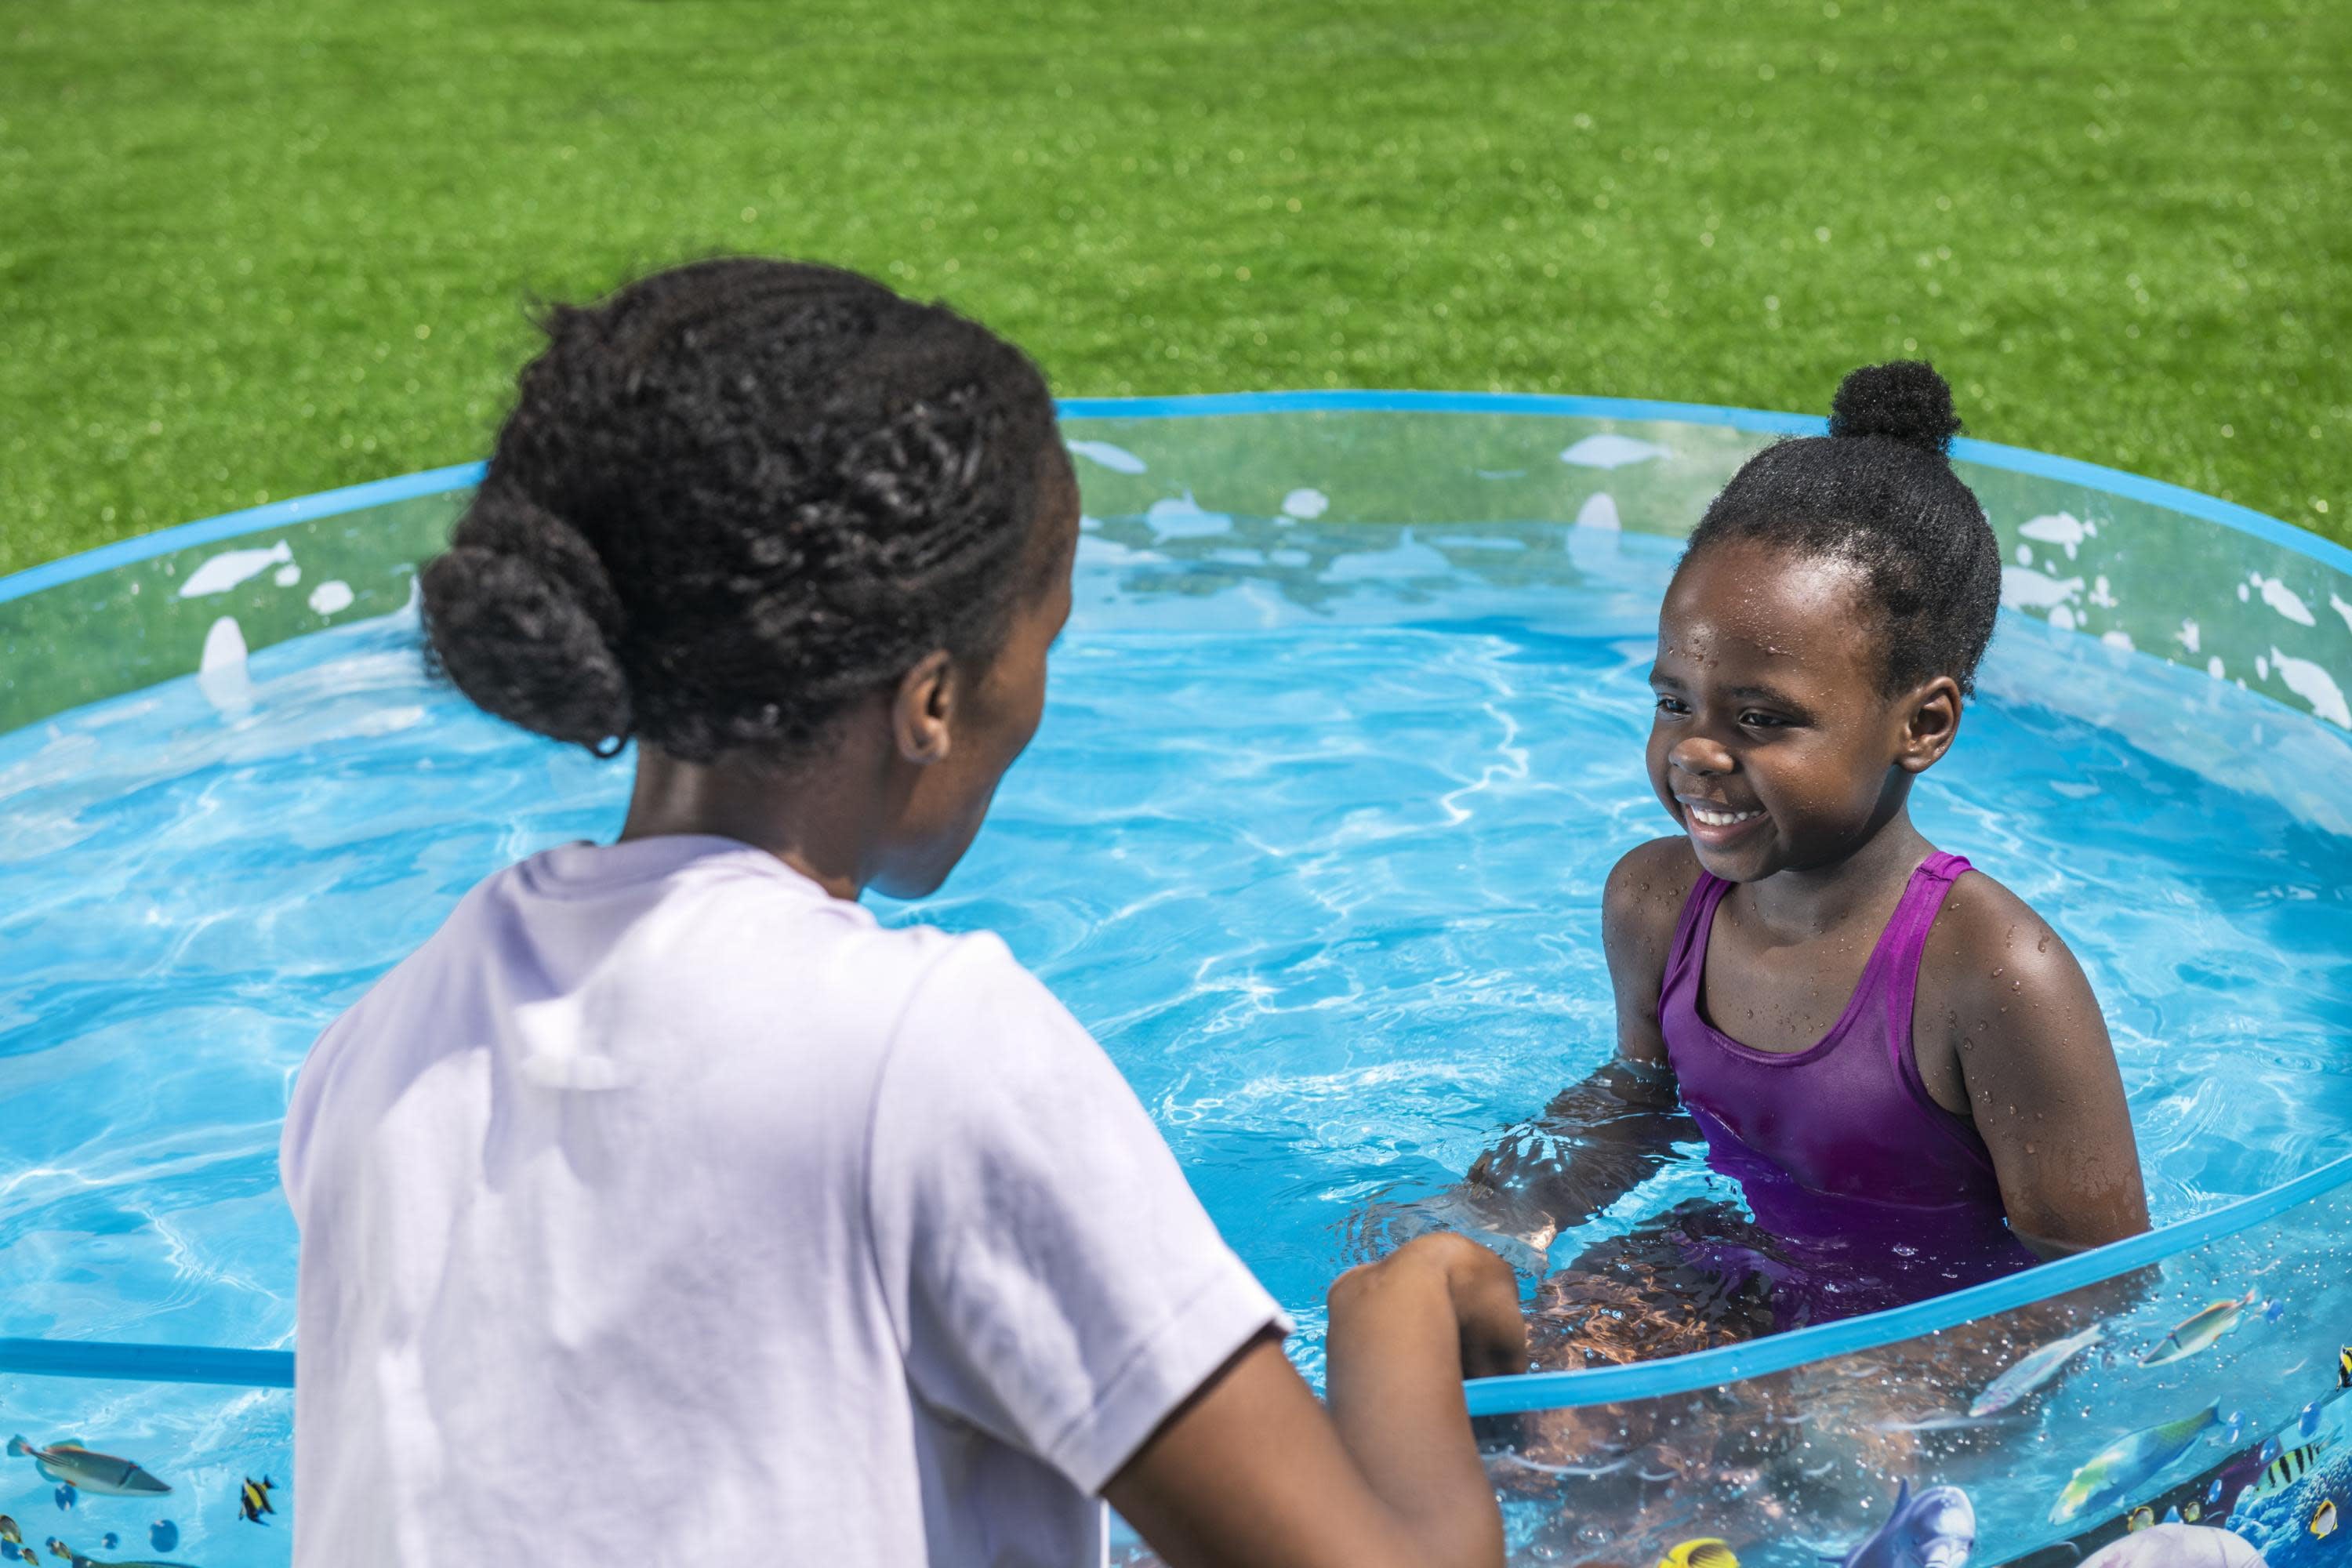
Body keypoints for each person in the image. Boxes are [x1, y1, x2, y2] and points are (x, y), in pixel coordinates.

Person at [278, 259, 1525, 1568]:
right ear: (931, 700)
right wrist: (1402, 1306)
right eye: (1046, 634)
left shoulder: (380, 1041)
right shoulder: (921, 1051)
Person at [1454, 361, 2149, 1348]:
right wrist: (1498, 1204)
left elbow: (2098, 1287)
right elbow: (1641, 1097)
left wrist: (1888, 1387)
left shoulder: (1992, 976)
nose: (1695, 749)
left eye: (1760, 717)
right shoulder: (1656, 902)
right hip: (1733, 1255)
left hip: (1921, 1335)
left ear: (1925, 723)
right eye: (1673, 702)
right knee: (1515, 1385)